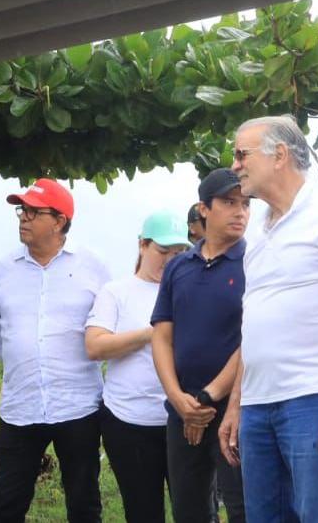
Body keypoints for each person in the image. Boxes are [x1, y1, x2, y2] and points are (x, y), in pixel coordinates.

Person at [219, 115, 318, 522]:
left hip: (313, 397)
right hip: (256, 404)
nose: (234, 165)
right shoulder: (255, 233)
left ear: (279, 155)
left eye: (241, 154)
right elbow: (252, 327)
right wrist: (236, 404)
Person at [0, 178, 110, 523]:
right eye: (21, 210)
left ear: (59, 221)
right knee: (7, 506)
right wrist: (28, 362)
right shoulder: (2, 271)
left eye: (33, 212)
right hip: (20, 406)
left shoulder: (93, 267)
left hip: (78, 406)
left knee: (84, 505)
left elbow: (109, 327)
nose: (23, 218)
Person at [152, 169, 249, 523]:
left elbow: (250, 341)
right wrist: (179, 400)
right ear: (203, 209)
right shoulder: (178, 266)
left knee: (242, 507)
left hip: (234, 408)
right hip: (182, 410)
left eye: (245, 203)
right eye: (228, 202)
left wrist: (207, 399)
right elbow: (162, 335)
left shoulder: (254, 264)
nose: (240, 212)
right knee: (189, 509)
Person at [84, 209, 188, 522]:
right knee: (143, 511)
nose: (170, 260)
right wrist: (152, 332)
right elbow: (95, 346)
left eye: (179, 252)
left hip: (184, 421)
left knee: (194, 509)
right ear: (142, 245)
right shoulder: (117, 292)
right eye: (162, 251)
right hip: (128, 422)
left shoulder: (190, 290)